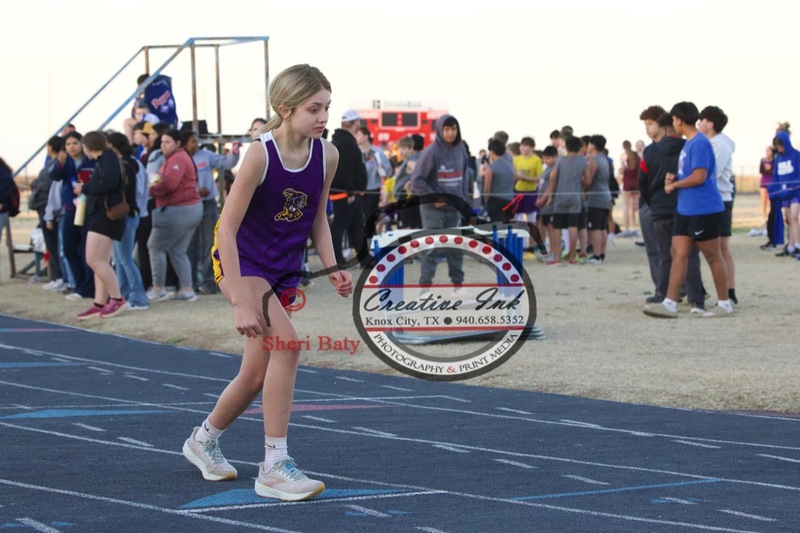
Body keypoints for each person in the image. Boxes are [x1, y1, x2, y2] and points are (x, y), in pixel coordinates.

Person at [182, 64, 352, 502]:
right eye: (314, 108)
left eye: (327, 107)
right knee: (288, 345)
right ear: (285, 108)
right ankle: (274, 466)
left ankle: (203, 440)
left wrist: (332, 266)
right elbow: (226, 230)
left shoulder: (327, 154)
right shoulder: (260, 155)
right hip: (243, 263)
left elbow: (317, 217)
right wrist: (241, 299)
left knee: (255, 373)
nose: (323, 116)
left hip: (282, 269)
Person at [644, 102, 732, 319]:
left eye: (674, 119)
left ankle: (724, 303)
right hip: (685, 208)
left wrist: (675, 185)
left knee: (713, 256)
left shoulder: (700, 143)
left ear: (679, 120)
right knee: (678, 253)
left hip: (703, 208)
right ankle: (670, 303)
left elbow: (700, 177)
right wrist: (676, 177)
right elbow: (690, 174)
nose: (673, 123)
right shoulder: (689, 144)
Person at [640, 112, 706, 310]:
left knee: (664, 254)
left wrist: (652, 201)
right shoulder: (688, 147)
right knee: (690, 254)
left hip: (659, 208)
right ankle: (696, 296)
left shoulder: (650, 152)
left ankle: (665, 293)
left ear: (663, 128)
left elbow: (643, 182)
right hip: (684, 206)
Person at [410, 114, 472, 288]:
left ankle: (458, 286)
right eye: (446, 129)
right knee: (431, 249)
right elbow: (417, 181)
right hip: (433, 211)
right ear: (440, 130)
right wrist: (434, 197)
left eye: (453, 129)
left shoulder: (461, 149)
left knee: (455, 249)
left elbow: (465, 177)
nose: (450, 133)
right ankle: (425, 289)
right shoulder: (431, 152)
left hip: (454, 210)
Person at [73, 132, 128, 319]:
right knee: (100, 261)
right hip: (100, 215)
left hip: (106, 216)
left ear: (88, 147)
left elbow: (108, 183)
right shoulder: (105, 160)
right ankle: (99, 302)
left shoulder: (109, 158)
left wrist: (86, 188)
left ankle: (117, 298)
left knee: (94, 259)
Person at [147, 129, 203, 302]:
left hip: (178, 209)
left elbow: (169, 184)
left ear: (178, 143)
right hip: (190, 209)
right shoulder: (177, 157)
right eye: (162, 142)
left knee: (155, 246)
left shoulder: (177, 158)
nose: (163, 145)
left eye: (167, 142)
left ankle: (159, 288)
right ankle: (187, 289)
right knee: (178, 250)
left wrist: (150, 189)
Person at [183, 131, 241, 294]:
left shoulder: (205, 155)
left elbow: (226, 163)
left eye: (197, 141)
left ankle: (210, 281)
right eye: (192, 141)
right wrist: (195, 191)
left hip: (207, 204)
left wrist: (235, 152)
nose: (196, 144)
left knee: (210, 243)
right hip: (189, 205)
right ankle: (190, 282)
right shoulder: (180, 158)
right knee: (190, 244)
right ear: (184, 142)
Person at [698, 105, 737, 304]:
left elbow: (714, 172)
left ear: (710, 124)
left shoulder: (720, 145)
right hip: (710, 200)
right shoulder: (709, 142)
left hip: (720, 200)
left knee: (722, 248)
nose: (698, 123)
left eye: (702, 120)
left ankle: (729, 292)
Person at [50, 131, 96, 300]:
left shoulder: (91, 161)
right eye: (68, 144)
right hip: (71, 208)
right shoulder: (65, 162)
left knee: (86, 249)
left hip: (89, 209)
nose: (71, 147)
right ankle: (79, 283)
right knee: (69, 248)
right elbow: (54, 176)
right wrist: (59, 164)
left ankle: (89, 287)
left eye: (75, 143)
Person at [107, 132, 149, 311]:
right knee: (120, 258)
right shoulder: (132, 163)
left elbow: (133, 192)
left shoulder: (126, 165)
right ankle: (122, 295)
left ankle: (138, 297)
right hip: (132, 213)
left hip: (128, 214)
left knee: (125, 258)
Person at [544, 135, 592, 265]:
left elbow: (553, 178)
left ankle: (557, 257)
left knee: (557, 228)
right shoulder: (583, 161)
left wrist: (550, 196)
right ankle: (572, 257)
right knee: (573, 227)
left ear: (566, 147)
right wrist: (583, 188)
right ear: (580, 147)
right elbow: (588, 180)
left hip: (560, 196)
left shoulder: (560, 160)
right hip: (575, 197)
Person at [329, 109, 367, 267]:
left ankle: (363, 258)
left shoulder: (342, 140)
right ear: (355, 122)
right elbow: (344, 170)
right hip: (346, 194)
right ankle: (337, 259)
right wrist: (350, 191)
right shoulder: (346, 142)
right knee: (340, 227)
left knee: (356, 226)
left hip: (348, 193)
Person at [356, 126, 392, 236]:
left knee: (370, 218)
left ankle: (371, 240)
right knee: (357, 219)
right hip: (357, 190)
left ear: (366, 136)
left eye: (359, 134)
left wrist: (377, 162)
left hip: (372, 189)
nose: (356, 137)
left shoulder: (377, 152)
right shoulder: (355, 151)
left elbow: (387, 172)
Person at [771, 127, 800, 258]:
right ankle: (791, 245)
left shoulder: (796, 155)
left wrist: (792, 186)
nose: (780, 149)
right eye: (778, 147)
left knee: (794, 217)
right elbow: (776, 175)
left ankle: (798, 244)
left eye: (781, 147)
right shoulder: (778, 158)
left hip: (795, 192)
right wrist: (773, 189)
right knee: (788, 219)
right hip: (784, 194)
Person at [512, 136, 544, 256]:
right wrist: (517, 177)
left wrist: (524, 177)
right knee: (517, 220)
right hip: (517, 191)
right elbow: (513, 175)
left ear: (531, 148)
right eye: (522, 145)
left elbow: (540, 178)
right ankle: (518, 246)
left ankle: (531, 246)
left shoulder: (536, 160)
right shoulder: (517, 159)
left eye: (525, 146)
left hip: (531, 192)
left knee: (532, 221)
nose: (522, 148)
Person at [584, 135, 612, 264]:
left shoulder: (593, 160)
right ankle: (602, 254)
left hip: (596, 197)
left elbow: (589, 180)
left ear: (593, 145)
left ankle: (596, 255)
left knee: (595, 228)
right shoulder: (604, 159)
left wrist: (583, 189)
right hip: (606, 195)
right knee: (602, 227)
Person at [483, 138, 515, 223]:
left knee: (497, 227)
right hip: (510, 199)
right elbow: (513, 181)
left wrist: (486, 201)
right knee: (508, 225)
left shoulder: (491, 167)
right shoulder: (511, 166)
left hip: (496, 201)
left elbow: (487, 189)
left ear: (492, 152)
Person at [619, 140, 640, 236]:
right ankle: (635, 226)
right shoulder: (636, 155)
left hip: (627, 182)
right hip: (636, 182)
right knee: (636, 206)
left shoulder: (623, 156)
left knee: (626, 206)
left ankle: (627, 227)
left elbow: (622, 169)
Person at [759, 147, 777, 250]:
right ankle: (763, 218)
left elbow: (774, 171)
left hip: (771, 184)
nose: (767, 152)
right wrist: (766, 169)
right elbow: (761, 170)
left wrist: (769, 169)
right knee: (763, 202)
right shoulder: (763, 160)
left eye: (769, 150)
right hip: (764, 183)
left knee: (771, 204)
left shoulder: (775, 161)